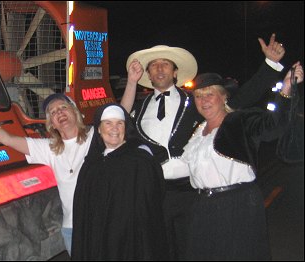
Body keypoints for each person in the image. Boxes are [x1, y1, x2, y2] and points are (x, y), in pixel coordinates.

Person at [120, 33, 285, 260]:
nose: (159, 69)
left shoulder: (196, 102)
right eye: (154, 65)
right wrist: (130, 82)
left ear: (175, 71)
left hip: (192, 192)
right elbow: (119, 120)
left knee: (197, 250)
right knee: (162, 250)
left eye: (165, 64)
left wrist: (270, 65)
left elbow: (239, 100)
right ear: (147, 74)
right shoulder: (139, 107)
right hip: (157, 193)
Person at [180, 62, 303, 260]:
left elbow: (274, 125)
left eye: (209, 94)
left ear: (223, 96)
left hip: (237, 204)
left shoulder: (239, 121)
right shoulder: (198, 131)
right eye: (198, 96)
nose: (203, 100)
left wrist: (287, 87)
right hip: (204, 205)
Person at [0, 94, 93, 257]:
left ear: (75, 112)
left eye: (63, 107)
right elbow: (8, 139)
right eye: (53, 112)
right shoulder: (50, 149)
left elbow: (118, 115)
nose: (59, 112)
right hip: (73, 230)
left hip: (102, 222)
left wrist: (130, 81)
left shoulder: (95, 139)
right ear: (52, 124)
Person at [71, 103, 168, 261]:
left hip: (130, 239)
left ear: (126, 128)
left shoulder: (140, 160)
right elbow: (84, 209)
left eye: (119, 123)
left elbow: (151, 204)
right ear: (99, 130)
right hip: (99, 238)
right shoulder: (91, 164)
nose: (114, 128)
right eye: (108, 123)